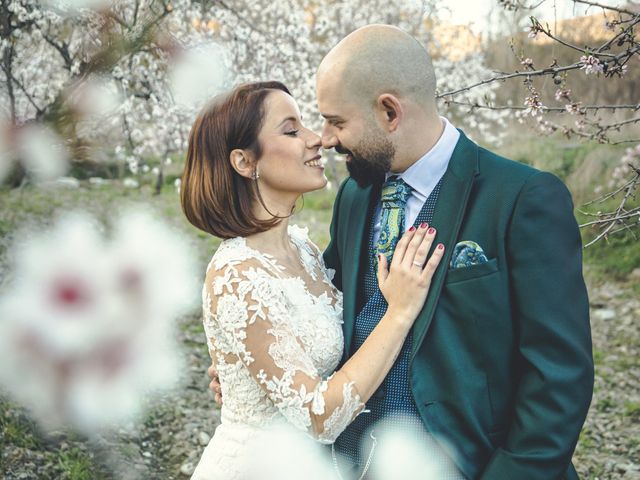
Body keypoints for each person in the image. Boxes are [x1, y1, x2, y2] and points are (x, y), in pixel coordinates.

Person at [210, 25, 594, 479]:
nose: (326, 139)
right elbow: (323, 309)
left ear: (389, 112)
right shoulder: (354, 197)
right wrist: (254, 363)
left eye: (337, 121)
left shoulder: (522, 198)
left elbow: (558, 377)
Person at [181, 80, 446, 480]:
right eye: (291, 131)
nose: (316, 140)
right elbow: (318, 417)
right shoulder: (237, 273)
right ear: (244, 162)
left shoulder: (303, 250)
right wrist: (400, 312)